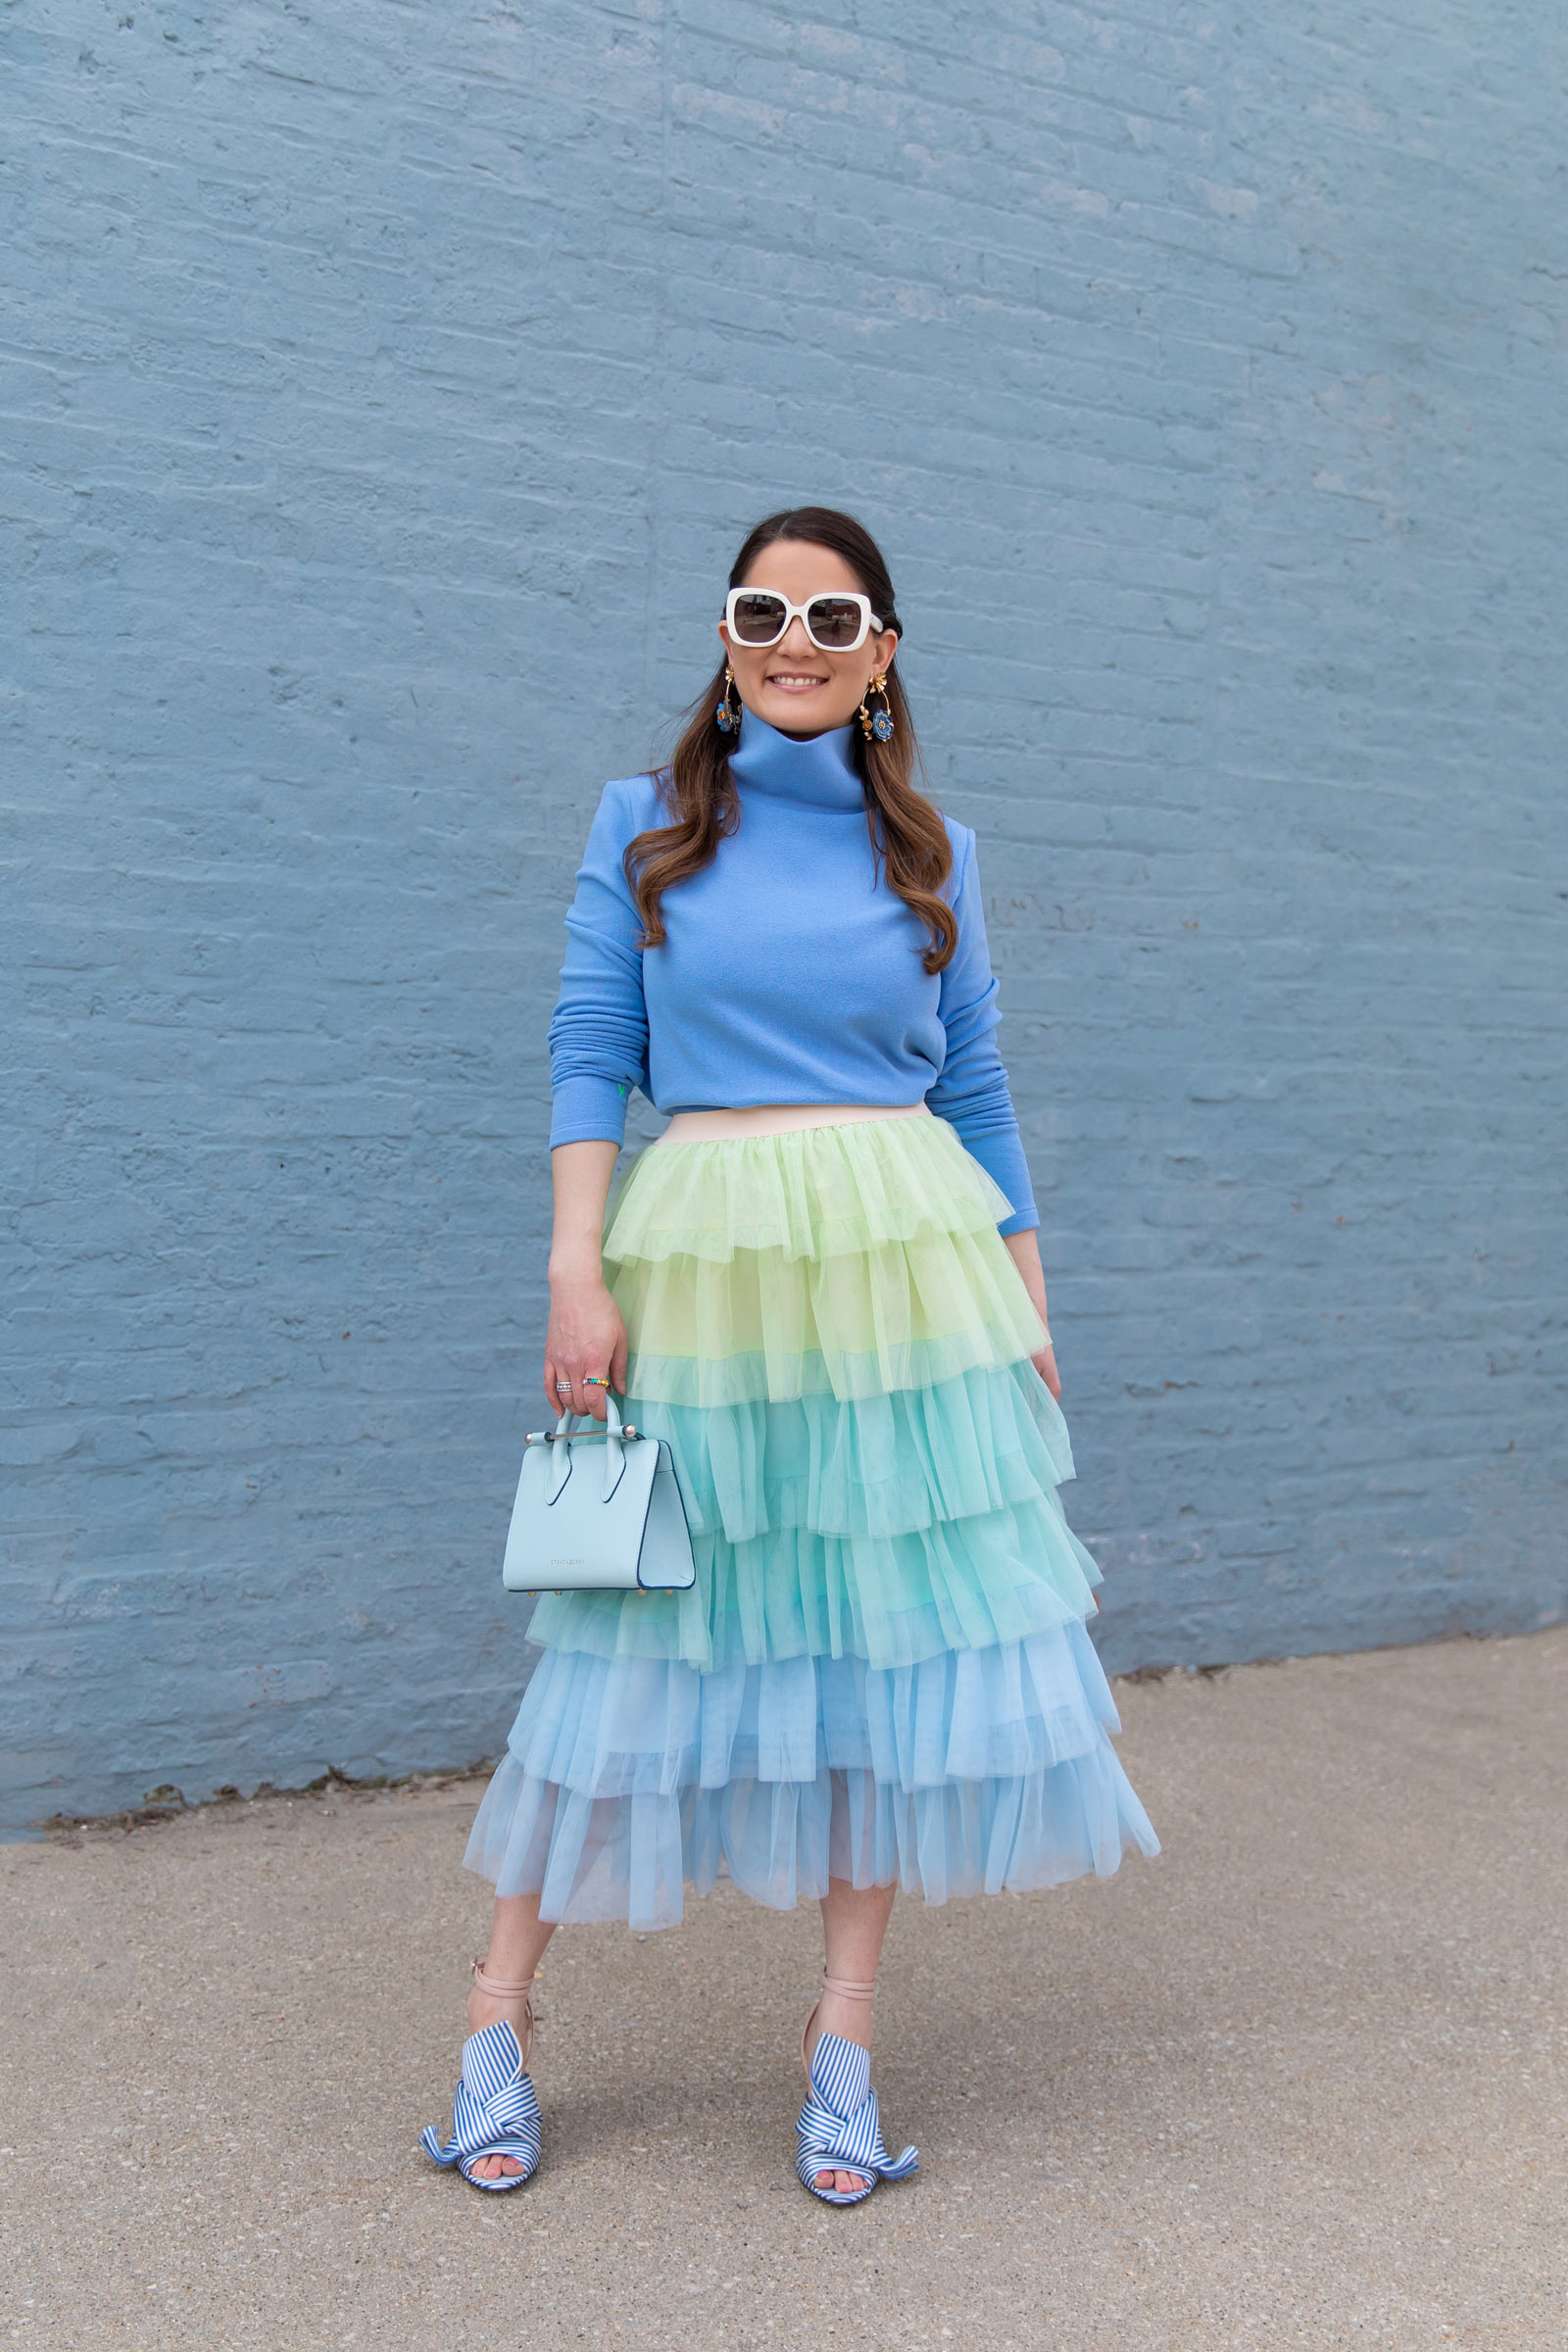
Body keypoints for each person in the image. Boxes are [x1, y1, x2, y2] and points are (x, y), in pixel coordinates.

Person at [423, 506, 1158, 2203]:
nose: (798, 639)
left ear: (885, 652)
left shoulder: (937, 854)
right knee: (626, 1638)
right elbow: (591, 1047)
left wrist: (1026, 1298)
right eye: (764, 611)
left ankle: (841, 2046)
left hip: (906, 1271)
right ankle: (493, 2021)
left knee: (876, 1658)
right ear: (728, 634)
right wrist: (573, 1271)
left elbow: (973, 1089)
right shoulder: (650, 823)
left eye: (835, 619)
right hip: (708, 1262)